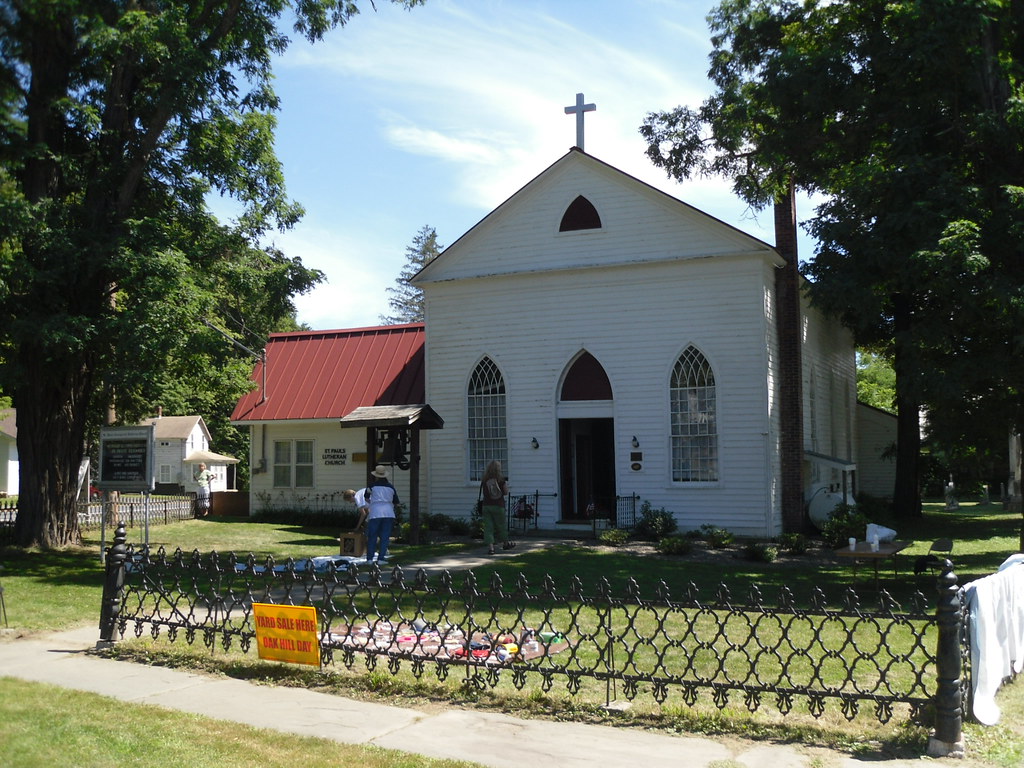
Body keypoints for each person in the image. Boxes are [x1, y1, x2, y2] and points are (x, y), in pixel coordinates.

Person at [363, 465, 399, 564]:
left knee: (372, 536)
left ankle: (370, 558)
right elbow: (396, 501)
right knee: (385, 536)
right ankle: (381, 558)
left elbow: (366, 497)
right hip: (388, 512)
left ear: (377, 475)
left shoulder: (372, 486)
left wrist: (373, 502)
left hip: (375, 512)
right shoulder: (391, 487)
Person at [480, 460, 514, 555]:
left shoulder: (485, 480)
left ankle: (491, 548)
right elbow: (506, 492)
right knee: (501, 525)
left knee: (488, 527)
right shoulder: (500, 480)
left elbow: (484, 493)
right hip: (498, 506)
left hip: (486, 506)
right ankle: (505, 543)